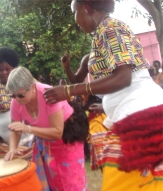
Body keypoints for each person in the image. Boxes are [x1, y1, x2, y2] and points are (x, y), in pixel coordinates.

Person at [44, 0, 163, 191]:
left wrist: (68, 90)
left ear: (87, 8)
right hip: (132, 114)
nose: (75, 20)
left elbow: (124, 78)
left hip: (143, 117)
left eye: (75, 12)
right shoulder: (103, 33)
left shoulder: (112, 29)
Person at [4, 66, 89, 191]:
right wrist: (12, 148)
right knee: (46, 183)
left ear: (32, 87)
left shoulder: (48, 94)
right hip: (44, 141)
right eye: (13, 95)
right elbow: (15, 127)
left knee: (70, 183)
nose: (16, 99)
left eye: (21, 95)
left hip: (67, 138)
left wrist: (28, 128)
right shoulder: (17, 100)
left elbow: (57, 132)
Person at [0, 47, 34, 160]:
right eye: (0, 69)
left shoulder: (26, 81)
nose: (4, 72)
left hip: (30, 142)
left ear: (14, 68)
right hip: (4, 145)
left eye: (7, 69)